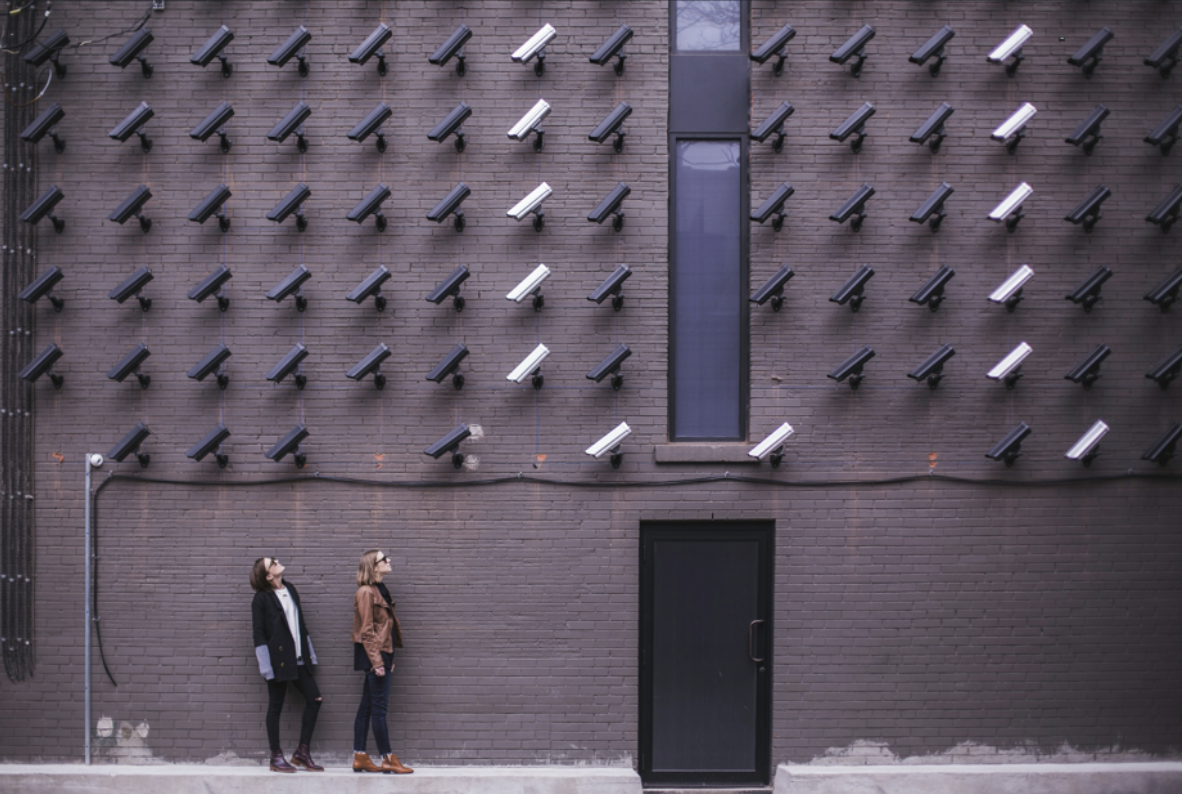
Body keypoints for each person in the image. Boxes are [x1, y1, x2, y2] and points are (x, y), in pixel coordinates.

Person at [250, 557, 324, 773]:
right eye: (272, 562)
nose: (277, 561)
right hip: (278, 662)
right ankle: (276, 757)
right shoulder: (261, 600)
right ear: (268, 575)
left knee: (315, 699)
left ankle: (302, 752)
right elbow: (259, 635)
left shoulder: (290, 588)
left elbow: (300, 624)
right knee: (275, 707)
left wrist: (310, 654)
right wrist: (266, 668)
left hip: (299, 659)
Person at [351, 549, 413, 774]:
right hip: (373, 654)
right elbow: (366, 630)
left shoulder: (380, 589)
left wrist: (389, 657)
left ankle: (359, 756)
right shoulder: (366, 592)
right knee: (379, 709)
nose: (389, 560)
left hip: (380, 653)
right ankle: (387, 757)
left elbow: (385, 629)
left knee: (367, 707)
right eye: (384, 559)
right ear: (373, 566)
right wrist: (378, 661)